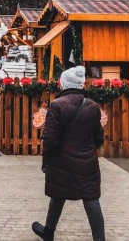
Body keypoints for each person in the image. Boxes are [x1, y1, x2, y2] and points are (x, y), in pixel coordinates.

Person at [33, 66, 105, 241]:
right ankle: (99, 238)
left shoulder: (57, 105)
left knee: (58, 195)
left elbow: (50, 139)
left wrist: (46, 160)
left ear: (63, 84)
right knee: (91, 199)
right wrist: (86, 149)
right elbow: (98, 137)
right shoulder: (92, 106)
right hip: (87, 161)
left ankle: (48, 231)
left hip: (61, 160)